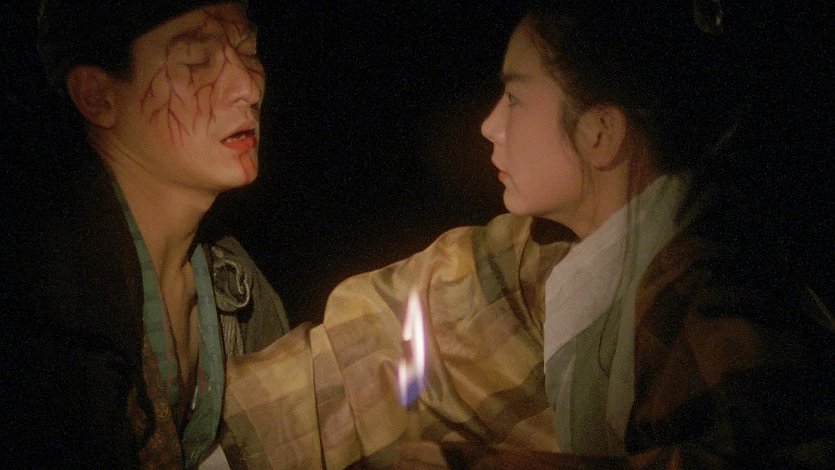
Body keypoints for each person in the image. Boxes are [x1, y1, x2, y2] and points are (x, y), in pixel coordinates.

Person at [218, 0, 834, 468]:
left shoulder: (721, 300)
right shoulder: (543, 256)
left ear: (599, 133)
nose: (489, 125)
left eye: (514, 99)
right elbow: (383, 335)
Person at [1, 1, 290, 467]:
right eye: (196, 61)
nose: (248, 87)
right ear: (97, 96)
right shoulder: (40, 311)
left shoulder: (236, 287)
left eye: (248, 50)